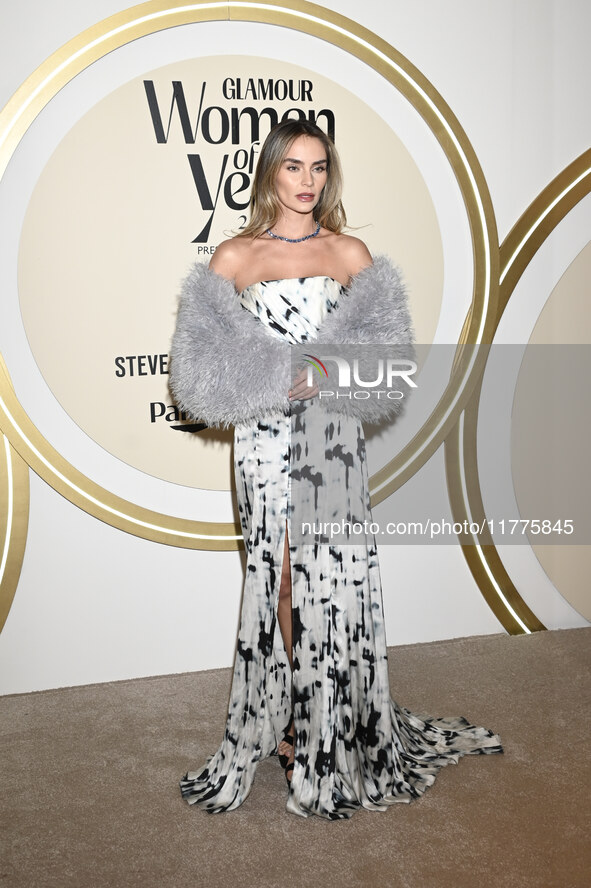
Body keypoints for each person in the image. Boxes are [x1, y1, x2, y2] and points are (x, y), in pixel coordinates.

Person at [170, 119, 503, 820]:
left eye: (318, 167)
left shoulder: (347, 251)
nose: (306, 181)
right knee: (282, 576)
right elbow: (196, 374)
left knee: (334, 579)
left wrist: (316, 375)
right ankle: (298, 718)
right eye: (292, 167)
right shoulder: (233, 256)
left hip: (330, 437)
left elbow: (389, 358)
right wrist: (273, 377)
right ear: (268, 174)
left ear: (329, 173)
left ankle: (334, 720)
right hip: (261, 440)